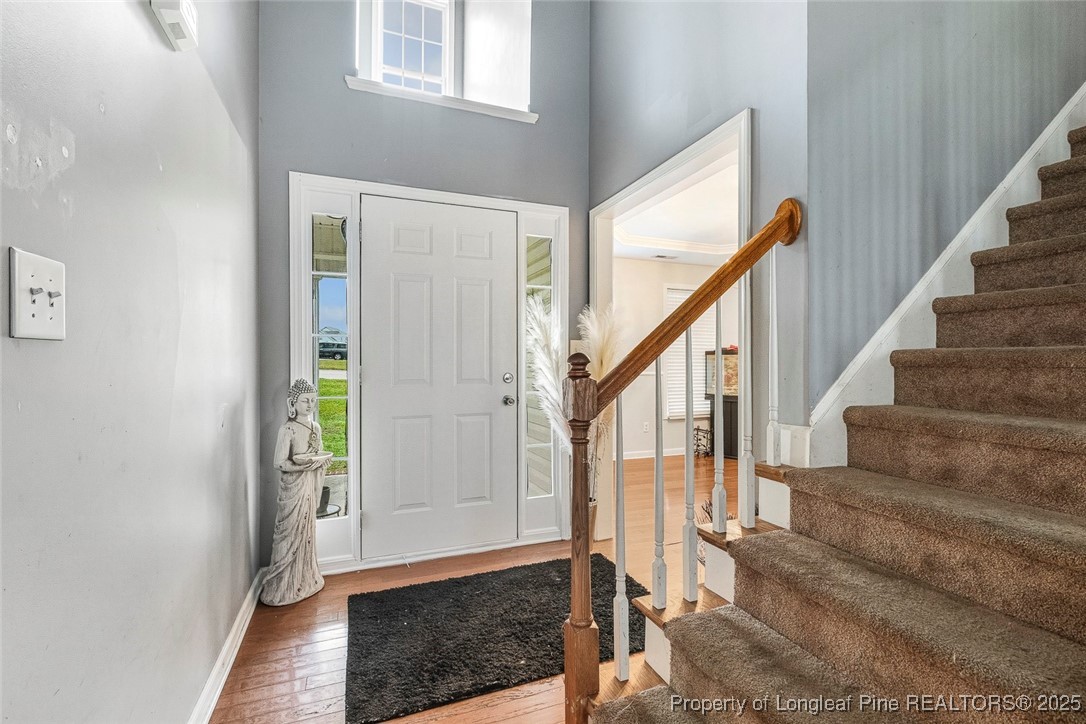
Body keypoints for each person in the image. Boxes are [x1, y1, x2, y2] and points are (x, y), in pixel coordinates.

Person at [261, 378, 330, 606]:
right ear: (293, 402)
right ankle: (283, 584)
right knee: (289, 530)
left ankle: (306, 577)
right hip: (293, 487)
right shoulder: (287, 429)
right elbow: (279, 462)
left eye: (313, 400)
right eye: (305, 401)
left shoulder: (316, 427)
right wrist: (301, 465)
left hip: (309, 485)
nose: (310, 405)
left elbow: (317, 454)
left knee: (307, 528)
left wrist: (318, 463)